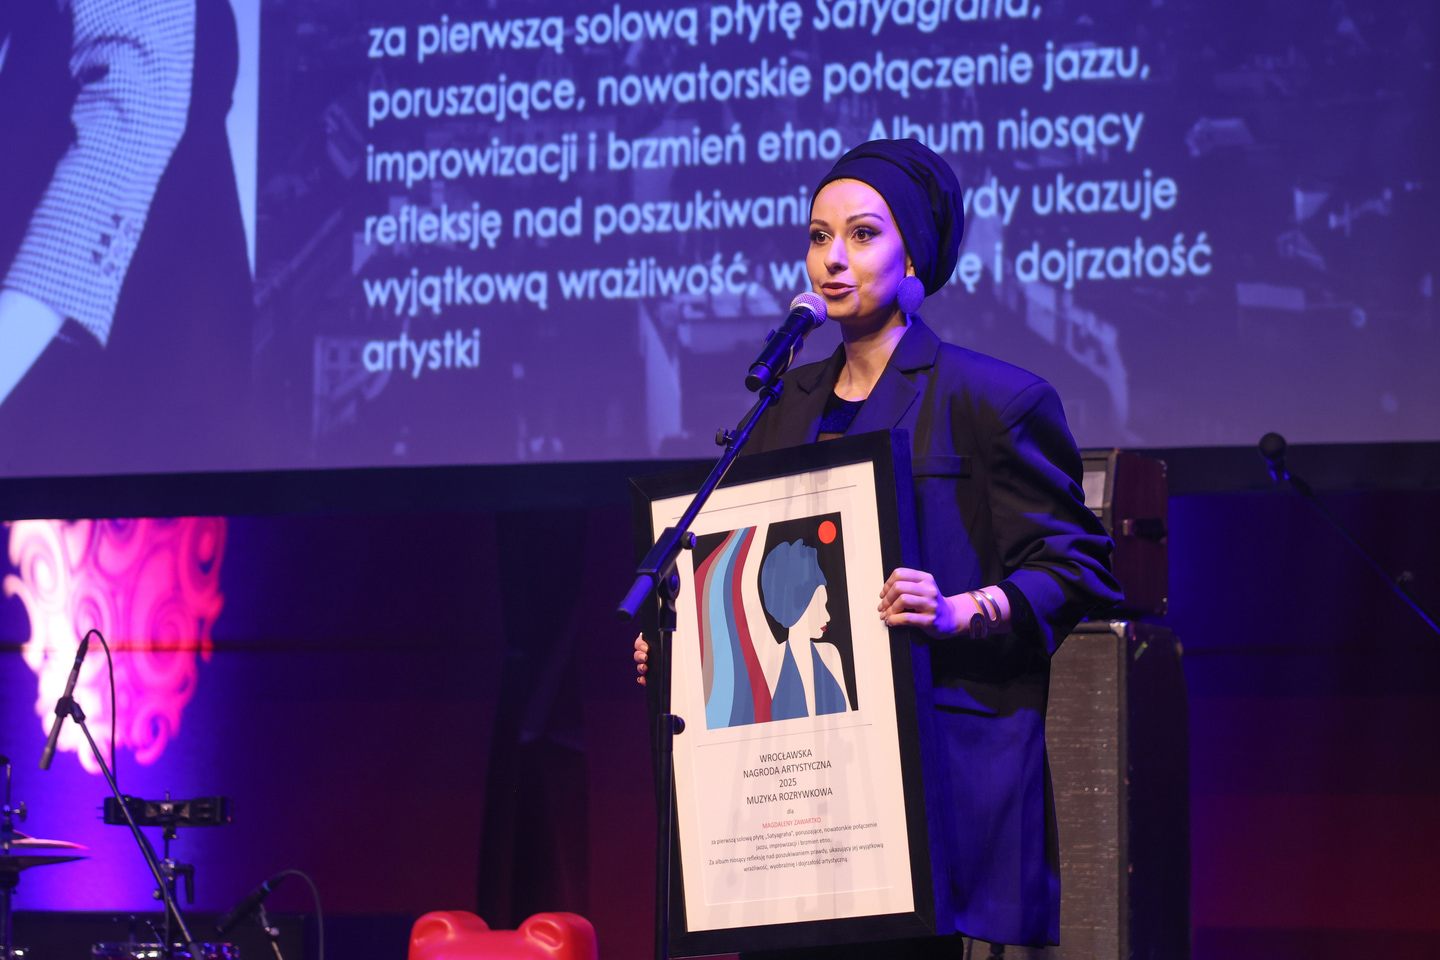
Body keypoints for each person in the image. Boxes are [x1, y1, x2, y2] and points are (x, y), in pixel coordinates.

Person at [635, 138, 1121, 954]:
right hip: (794, 790)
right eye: (818, 236)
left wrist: (963, 609)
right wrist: (687, 649)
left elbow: (1077, 566)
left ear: (914, 256)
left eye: (862, 235)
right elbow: (761, 573)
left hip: (922, 785)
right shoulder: (781, 408)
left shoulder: (993, 398)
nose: (832, 258)